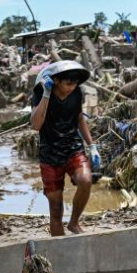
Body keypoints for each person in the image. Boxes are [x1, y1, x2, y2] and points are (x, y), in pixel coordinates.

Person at [30, 61, 100, 236]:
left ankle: (74, 223)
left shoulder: (77, 93)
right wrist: (47, 94)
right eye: (68, 83)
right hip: (50, 152)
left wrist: (92, 145)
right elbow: (36, 125)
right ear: (56, 81)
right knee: (56, 208)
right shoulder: (40, 93)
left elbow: (79, 118)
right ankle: (59, 246)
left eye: (74, 83)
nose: (71, 87)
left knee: (85, 180)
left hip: (72, 146)